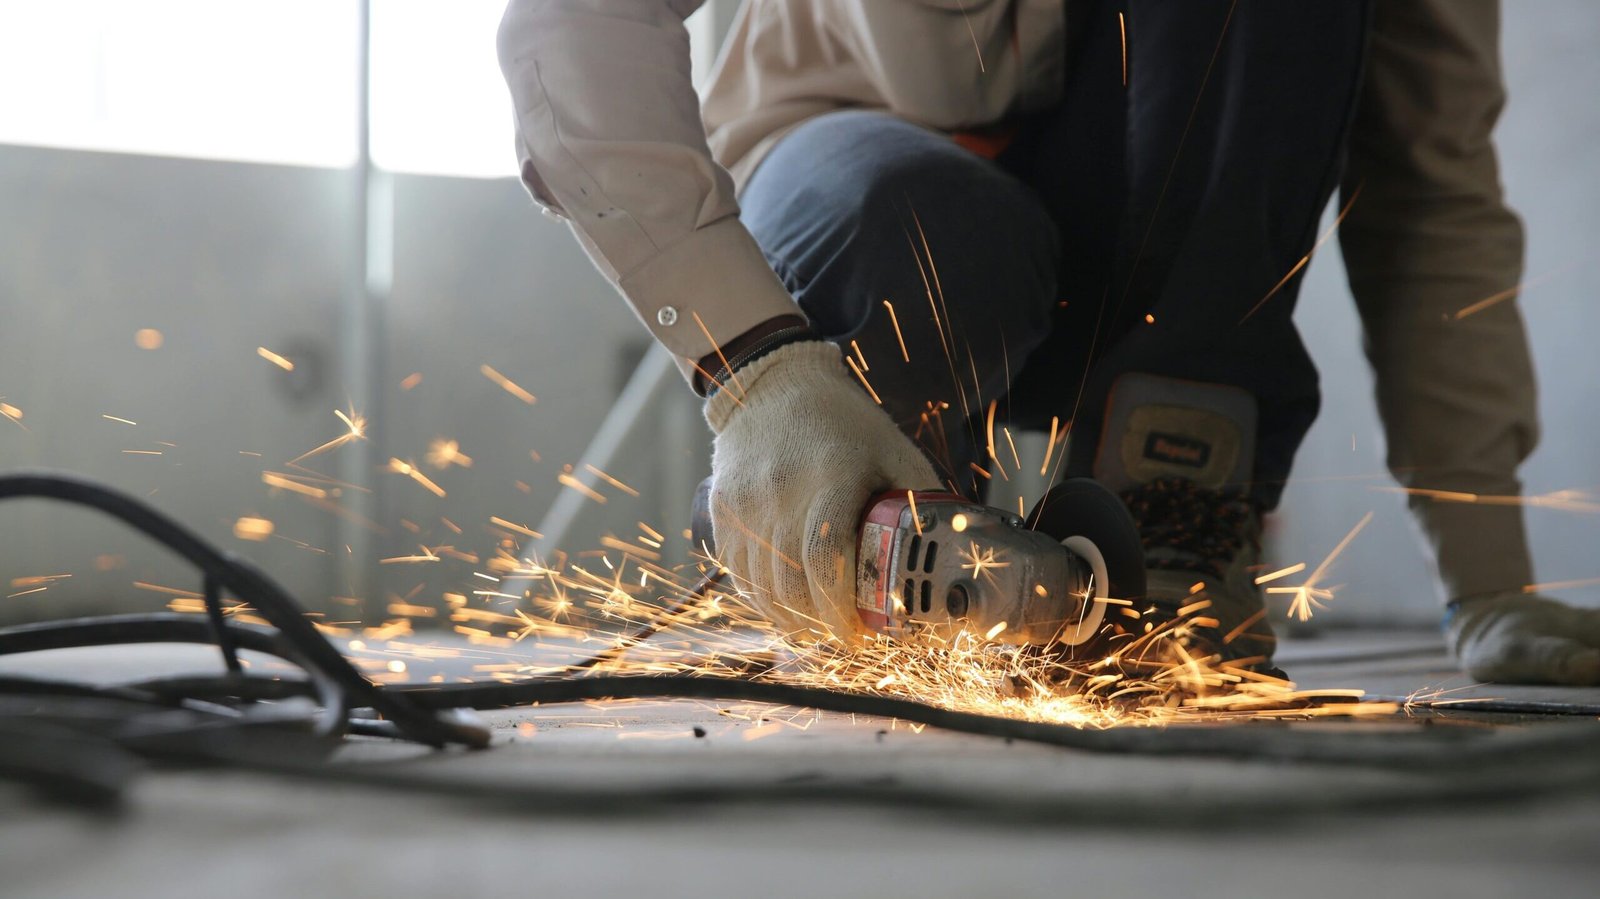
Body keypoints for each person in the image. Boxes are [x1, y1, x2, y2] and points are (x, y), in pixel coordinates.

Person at [497, 0, 1600, 684]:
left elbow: (1430, 186)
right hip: (870, 194)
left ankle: (1171, 506)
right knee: (915, 221)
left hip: (1161, 274)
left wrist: (1487, 580)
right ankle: (854, 521)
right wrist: (758, 376)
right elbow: (574, 25)